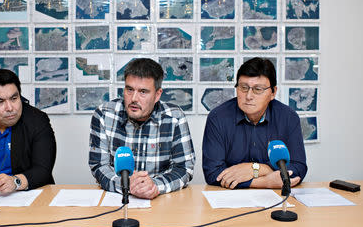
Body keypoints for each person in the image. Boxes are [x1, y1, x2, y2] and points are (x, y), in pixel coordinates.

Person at [89, 58, 196, 199]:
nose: (134, 98)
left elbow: (184, 168)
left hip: (160, 201)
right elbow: (99, 166)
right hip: (117, 199)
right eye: (129, 89)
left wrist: (155, 186)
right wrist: (126, 184)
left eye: (143, 92)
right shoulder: (104, 114)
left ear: (157, 94)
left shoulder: (175, 117)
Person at [202, 57, 307, 189]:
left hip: (276, 198)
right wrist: (265, 182)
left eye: (258, 89)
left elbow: (299, 167)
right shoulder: (218, 117)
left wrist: (255, 169)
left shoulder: (288, 117)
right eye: (244, 88)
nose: (249, 96)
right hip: (229, 198)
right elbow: (213, 173)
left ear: (273, 92)